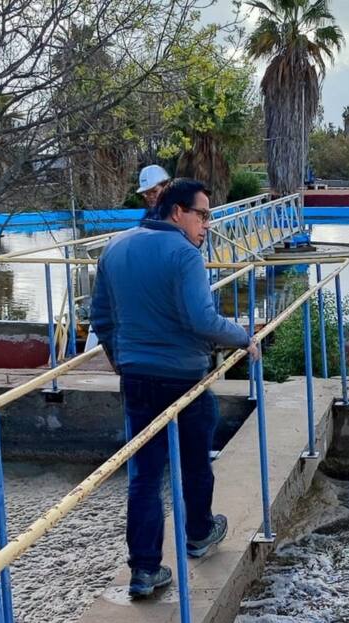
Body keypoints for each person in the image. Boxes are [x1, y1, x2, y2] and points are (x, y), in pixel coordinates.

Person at [90, 179, 259, 599]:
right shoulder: (184, 255)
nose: (206, 225)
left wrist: (120, 357)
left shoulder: (115, 247)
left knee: (144, 476)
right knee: (196, 461)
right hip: (184, 380)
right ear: (176, 212)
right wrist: (244, 337)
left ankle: (144, 571)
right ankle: (199, 534)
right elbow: (202, 321)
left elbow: (101, 317)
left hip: (137, 378)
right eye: (202, 215)